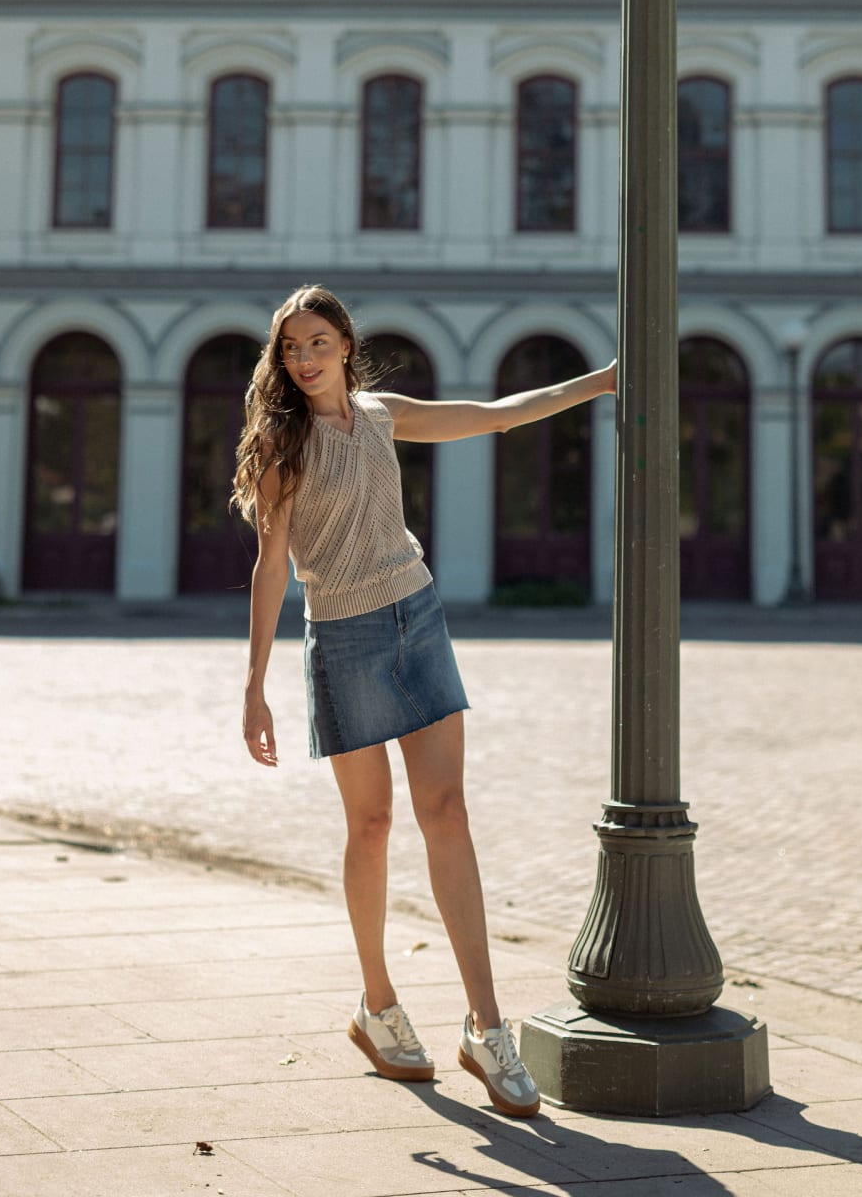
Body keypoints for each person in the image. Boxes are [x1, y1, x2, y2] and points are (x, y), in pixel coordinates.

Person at [235, 283, 614, 1120]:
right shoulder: (281, 444)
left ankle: (486, 1026)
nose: (304, 360)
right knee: (369, 825)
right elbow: (270, 567)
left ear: (346, 345)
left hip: (419, 617)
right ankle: (377, 1005)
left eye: (318, 343)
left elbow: (494, 413)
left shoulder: (381, 414)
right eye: (291, 347)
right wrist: (255, 686)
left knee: (447, 811)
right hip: (343, 637)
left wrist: (601, 382)